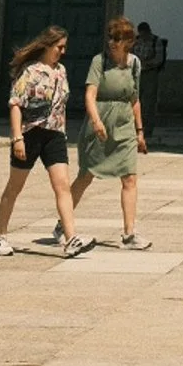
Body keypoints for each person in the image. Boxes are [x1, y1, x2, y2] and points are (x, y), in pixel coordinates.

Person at [0, 27, 94, 258]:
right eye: (59, 47)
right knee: (15, 186)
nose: (63, 52)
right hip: (29, 134)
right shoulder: (30, 71)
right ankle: (0, 236)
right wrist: (17, 138)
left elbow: (61, 106)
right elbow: (16, 103)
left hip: (54, 135)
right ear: (47, 46)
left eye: (64, 47)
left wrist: (63, 133)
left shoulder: (61, 71)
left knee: (62, 185)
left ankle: (71, 238)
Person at [48, 18, 149, 249]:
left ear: (129, 42)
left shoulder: (134, 64)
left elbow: (135, 99)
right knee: (86, 175)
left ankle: (130, 233)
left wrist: (140, 131)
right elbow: (90, 95)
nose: (113, 42)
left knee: (130, 177)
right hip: (100, 125)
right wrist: (96, 121)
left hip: (124, 126)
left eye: (118, 39)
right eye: (111, 37)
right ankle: (62, 224)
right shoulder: (99, 61)